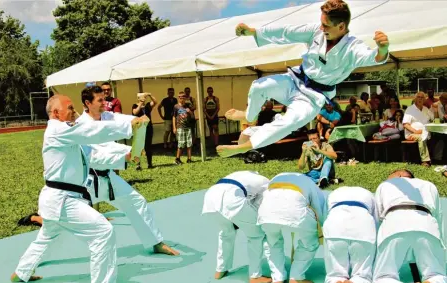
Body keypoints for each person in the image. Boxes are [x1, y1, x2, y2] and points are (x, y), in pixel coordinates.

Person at [216, 0, 389, 158]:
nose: (321, 28)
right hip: (295, 79)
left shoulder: (352, 48)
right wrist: (254, 32)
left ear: (341, 26)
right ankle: (248, 115)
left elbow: (372, 57)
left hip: (313, 98)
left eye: (326, 25)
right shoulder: (316, 32)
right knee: (259, 86)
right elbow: (286, 33)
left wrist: (382, 49)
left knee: (288, 122)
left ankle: (247, 146)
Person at [18, 87, 179, 257]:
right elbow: (92, 155)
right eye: (100, 100)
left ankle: (155, 242)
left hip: (108, 178)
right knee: (56, 226)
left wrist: (139, 121)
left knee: (136, 202)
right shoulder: (78, 126)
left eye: (105, 99)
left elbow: (124, 121)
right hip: (86, 182)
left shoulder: (108, 116)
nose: (105, 103)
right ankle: (36, 235)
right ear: (88, 103)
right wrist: (124, 154)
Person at [10, 94, 140, 283]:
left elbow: (93, 156)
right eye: (69, 108)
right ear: (56, 113)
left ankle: (21, 272)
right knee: (103, 232)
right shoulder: (57, 129)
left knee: (47, 236)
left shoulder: (68, 133)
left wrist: (123, 157)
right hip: (62, 199)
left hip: (59, 198)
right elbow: (92, 131)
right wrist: (128, 127)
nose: (74, 111)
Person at [371, 169, 446, 283]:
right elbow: (439, 217)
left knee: (381, 279)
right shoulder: (429, 185)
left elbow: (376, 219)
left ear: (398, 175)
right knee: (437, 275)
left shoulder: (385, 185)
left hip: (394, 224)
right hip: (427, 224)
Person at [201, 171, 273, 283]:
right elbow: (261, 206)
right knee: (256, 235)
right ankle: (255, 276)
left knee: (226, 233)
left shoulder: (241, 175)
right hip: (231, 198)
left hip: (210, 197)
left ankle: (220, 270)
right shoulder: (266, 183)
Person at [257, 172, 326, 283]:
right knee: (310, 243)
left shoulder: (274, 178)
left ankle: (277, 278)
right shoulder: (309, 182)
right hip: (295, 214)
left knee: (273, 242)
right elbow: (318, 208)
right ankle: (296, 277)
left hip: (266, 214)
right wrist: (322, 229)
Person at [323, 186, 377, 283]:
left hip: (335, 225)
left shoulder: (333, 193)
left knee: (335, 272)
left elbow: (326, 215)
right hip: (363, 226)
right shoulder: (370, 194)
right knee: (362, 274)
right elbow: (376, 220)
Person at [403, 91, 434, 167]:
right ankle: (425, 161)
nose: (420, 99)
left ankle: (436, 158)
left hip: (425, 132)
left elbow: (432, 118)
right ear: (415, 99)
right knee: (421, 138)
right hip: (412, 134)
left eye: (422, 97)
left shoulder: (426, 109)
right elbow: (405, 124)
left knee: (439, 136)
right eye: (418, 97)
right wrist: (416, 131)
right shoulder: (410, 109)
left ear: (424, 99)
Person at [133, 93, 158, 170]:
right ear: (138, 98)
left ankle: (149, 164)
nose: (143, 99)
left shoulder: (147, 106)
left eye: (144, 97)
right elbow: (135, 112)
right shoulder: (135, 105)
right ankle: (138, 165)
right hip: (139, 128)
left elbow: (155, 102)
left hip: (148, 128)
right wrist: (140, 103)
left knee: (148, 147)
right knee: (138, 147)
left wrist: (150, 95)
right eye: (141, 97)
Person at [173, 91, 194, 164]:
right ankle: (177, 158)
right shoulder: (176, 106)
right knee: (181, 143)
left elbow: (192, 116)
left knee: (189, 143)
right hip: (180, 127)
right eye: (180, 97)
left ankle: (189, 158)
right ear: (178, 98)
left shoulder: (187, 105)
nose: (182, 99)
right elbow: (174, 117)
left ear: (185, 98)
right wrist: (174, 127)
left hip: (188, 126)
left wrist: (190, 112)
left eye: (183, 97)